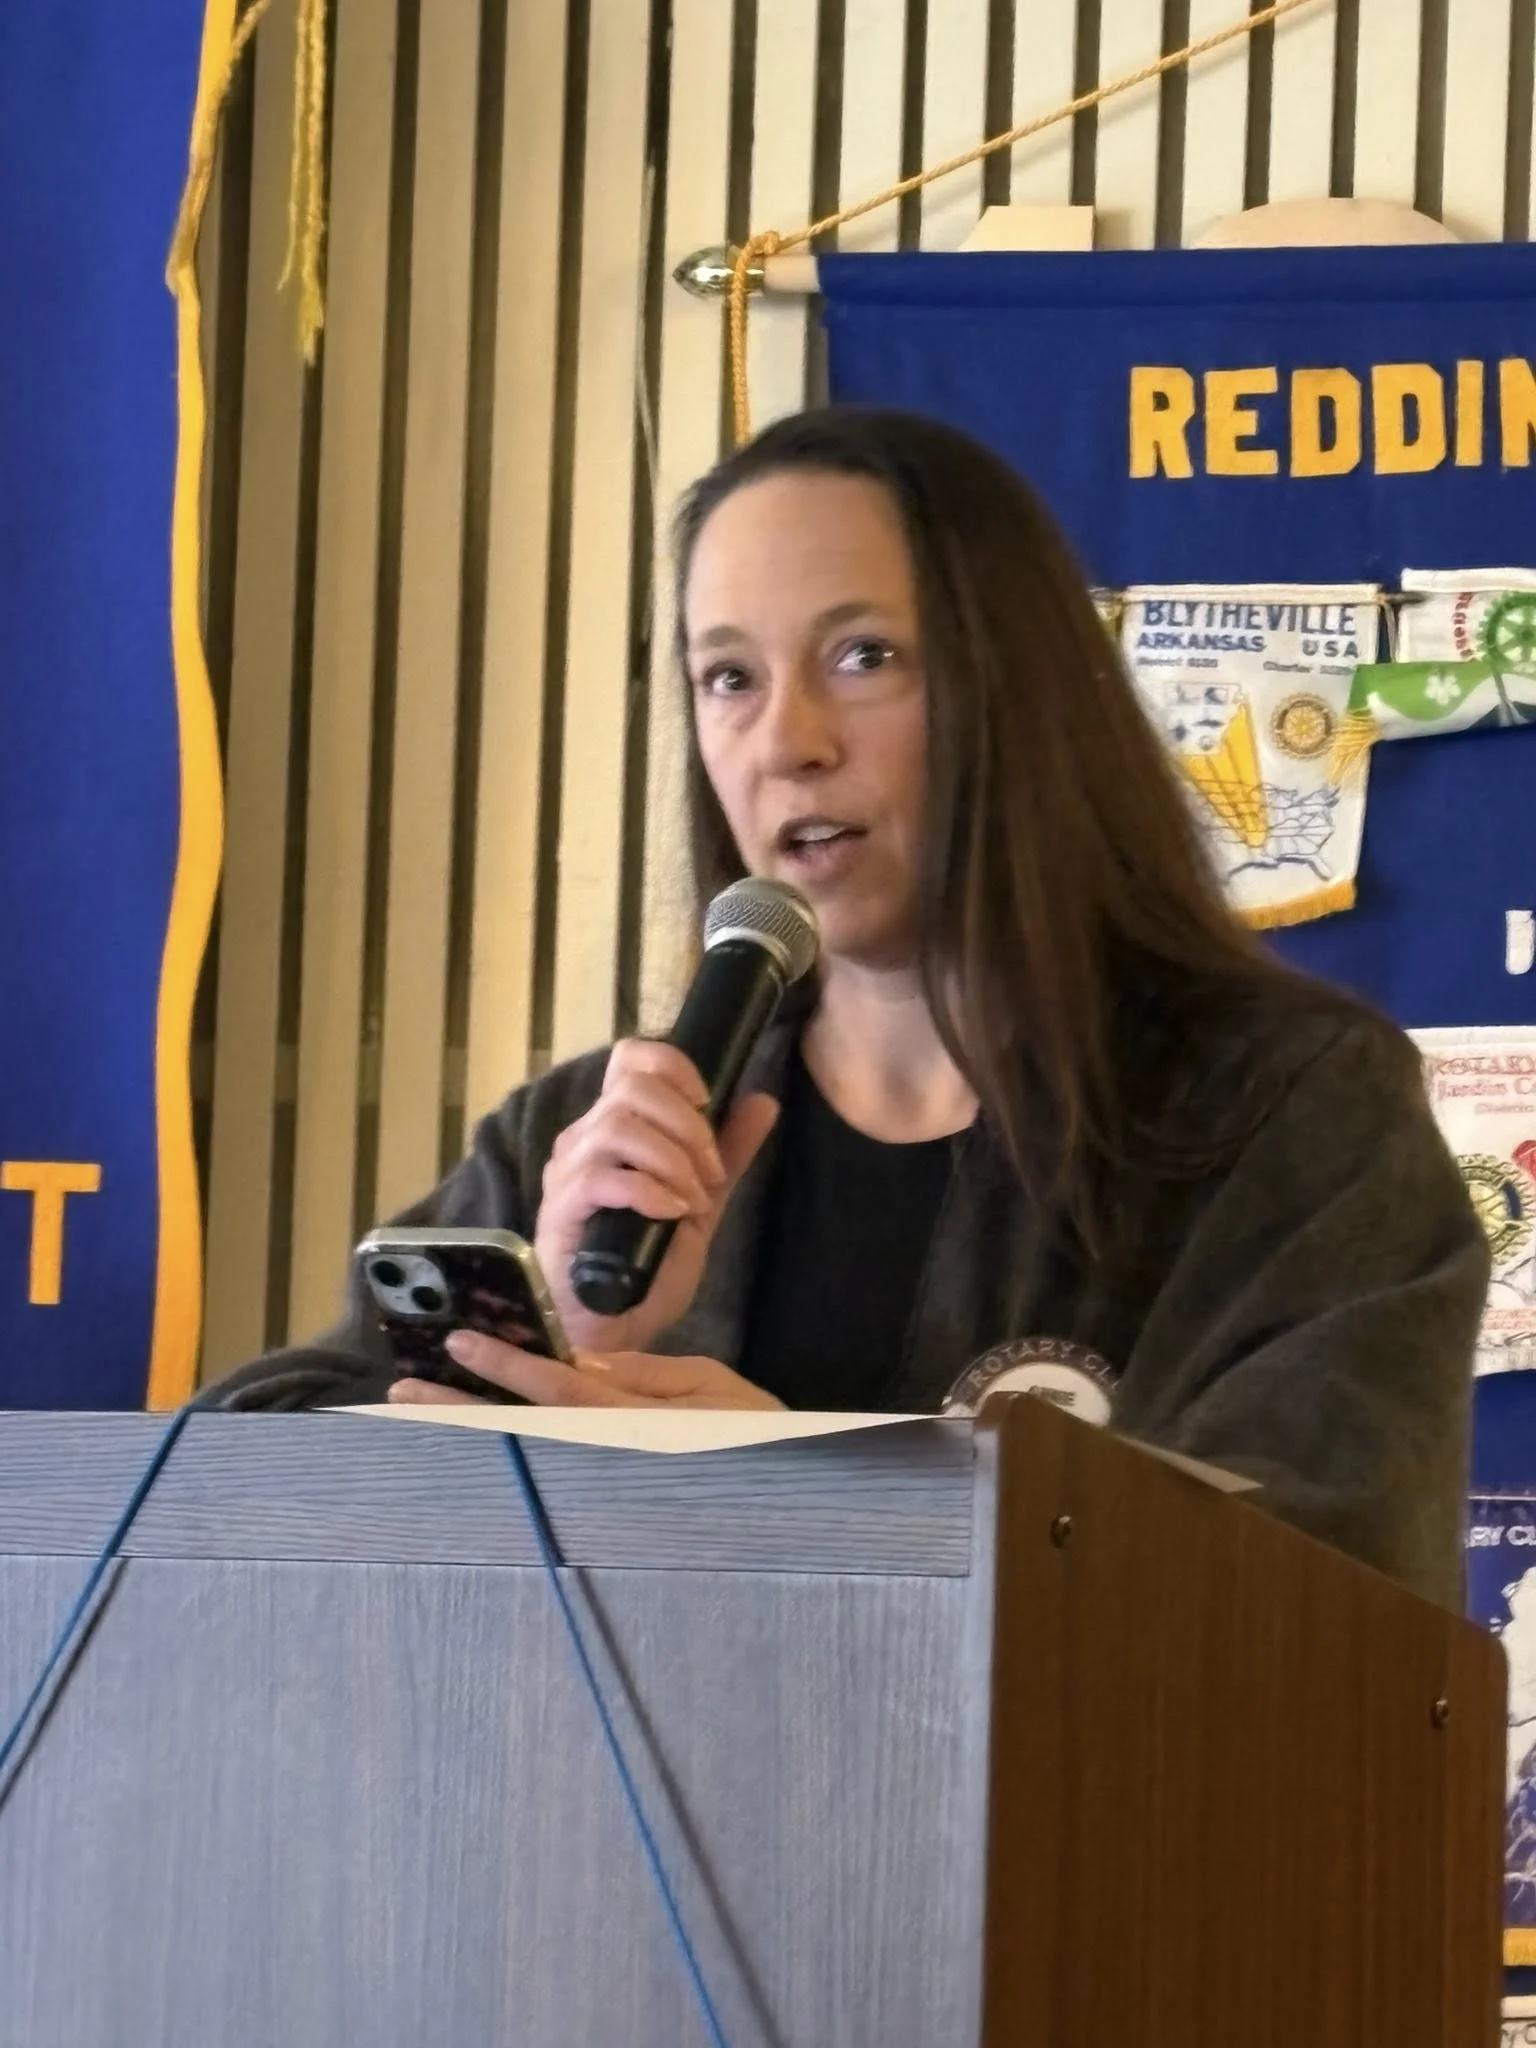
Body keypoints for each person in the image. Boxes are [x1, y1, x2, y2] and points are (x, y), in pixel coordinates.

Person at [203, 405, 1488, 1608]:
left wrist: (821, 1496)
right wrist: (564, 1358)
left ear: (1015, 689)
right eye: (729, 679)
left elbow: (1326, 1575)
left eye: (862, 656)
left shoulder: (1291, 1107)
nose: (787, 741)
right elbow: (220, 1485)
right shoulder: (596, 1133)